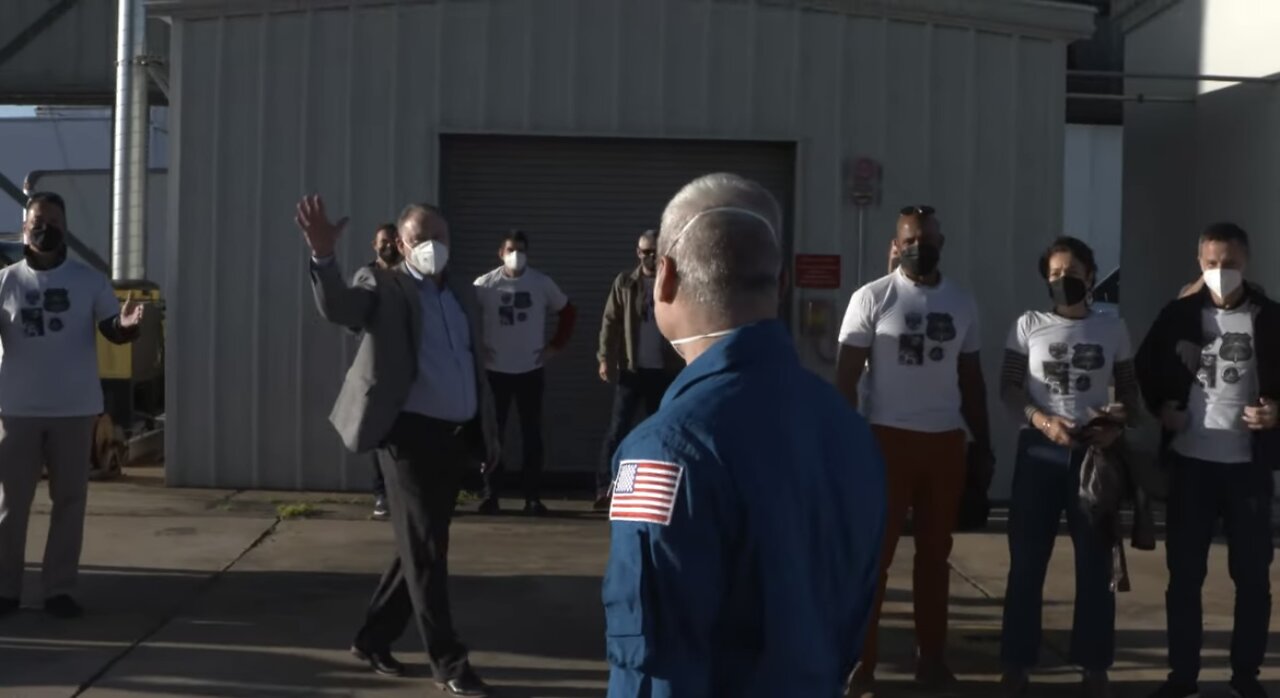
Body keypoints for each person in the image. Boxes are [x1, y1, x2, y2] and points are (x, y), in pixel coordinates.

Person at [601, 173, 886, 697]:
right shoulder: (848, 430)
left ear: (663, 277)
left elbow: (653, 665)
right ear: (779, 285)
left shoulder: (664, 449)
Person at [296, 195, 499, 698]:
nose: (433, 247)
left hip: (455, 437)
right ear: (403, 244)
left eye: (441, 238)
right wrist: (323, 257)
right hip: (409, 437)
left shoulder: (460, 295)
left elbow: (471, 365)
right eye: (421, 239)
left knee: (420, 546)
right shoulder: (384, 285)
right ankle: (449, 663)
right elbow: (340, 307)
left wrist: (486, 432)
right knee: (427, 550)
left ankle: (372, 638)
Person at [835, 205, 993, 689]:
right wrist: (841, 446)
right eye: (909, 241)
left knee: (934, 556)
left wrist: (982, 443)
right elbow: (844, 379)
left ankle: (932, 659)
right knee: (874, 559)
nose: (918, 248)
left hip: (944, 442)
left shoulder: (962, 302)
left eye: (925, 240)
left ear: (941, 243)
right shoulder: (873, 298)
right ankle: (861, 662)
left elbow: (971, 379)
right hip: (885, 440)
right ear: (895, 246)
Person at [1135, 223, 1278, 698]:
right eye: (1214, 263)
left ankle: (1246, 675)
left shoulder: (1271, 318)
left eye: (1231, 264)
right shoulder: (1177, 316)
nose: (1222, 273)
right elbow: (1145, 366)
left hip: (1248, 469)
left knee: (1253, 577)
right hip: (1191, 464)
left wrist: (1276, 411)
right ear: (1200, 263)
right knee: (1185, 576)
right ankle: (1182, 676)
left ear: (1247, 263)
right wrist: (1162, 409)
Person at [998, 236, 1140, 698]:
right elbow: (1010, 389)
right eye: (1055, 274)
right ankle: (1017, 663)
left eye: (1072, 272)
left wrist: (1113, 425)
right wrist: (1041, 421)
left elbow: (1128, 396)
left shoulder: (1113, 328)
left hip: (1092, 457)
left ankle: (1094, 665)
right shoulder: (1028, 325)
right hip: (1040, 453)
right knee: (1026, 564)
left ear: (1091, 275)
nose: (1064, 280)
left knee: (1095, 565)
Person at [0, 192, 144, 620]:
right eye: (38, 221)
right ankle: (6, 589)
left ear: (65, 228)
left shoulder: (89, 280)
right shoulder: (6, 281)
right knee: (10, 504)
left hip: (74, 409)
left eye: (54, 222)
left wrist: (129, 326)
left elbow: (112, 329)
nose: (46, 229)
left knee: (69, 502)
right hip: (16, 410)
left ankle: (58, 589)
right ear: (24, 227)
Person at [473, 230, 577, 515]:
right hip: (496, 372)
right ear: (500, 252)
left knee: (532, 435)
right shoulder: (485, 285)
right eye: (510, 249)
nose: (515, 255)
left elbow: (568, 312)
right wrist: (477, 349)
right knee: (494, 437)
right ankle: (490, 494)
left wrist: (555, 346)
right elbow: (465, 315)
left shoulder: (541, 284)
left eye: (520, 250)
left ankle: (532, 496)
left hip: (530, 370)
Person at [593, 230, 683, 510]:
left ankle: (659, 492)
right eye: (645, 251)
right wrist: (605, 357)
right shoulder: (626, 283)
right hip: (633, 370)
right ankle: (606, 488)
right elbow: (610, 321)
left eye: (655, 251)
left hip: (664, 370)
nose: (650, 256)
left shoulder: (674, 283)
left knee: (662, 433)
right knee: (618, 430)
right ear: (637, 252)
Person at [367, 223, 400, 521]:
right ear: (374, 245)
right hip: (377, 366)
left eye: (393, 241)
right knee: (379, 436)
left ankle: (404, 493)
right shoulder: (367, 277)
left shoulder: (410, 276)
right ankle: (381, 495)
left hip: (407, 368)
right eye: (383, 242)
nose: (388, 246)